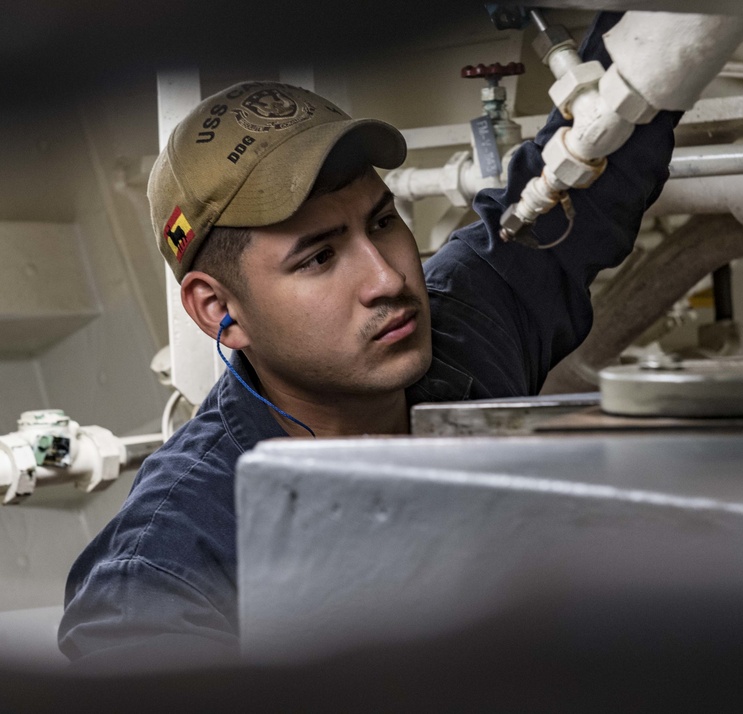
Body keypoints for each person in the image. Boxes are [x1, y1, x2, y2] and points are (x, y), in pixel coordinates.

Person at [58, 12, 680, 664]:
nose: (387, 278)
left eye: (383, 221)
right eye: (318, 258)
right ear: (220, 310)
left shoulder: (458, 330)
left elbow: (588, 167)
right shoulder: (171, 565)